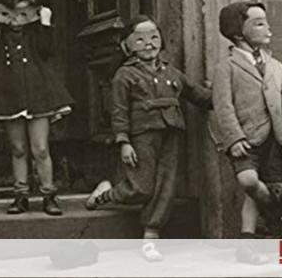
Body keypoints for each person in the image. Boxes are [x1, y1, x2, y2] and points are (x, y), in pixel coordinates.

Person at [85, 15, 212, 261]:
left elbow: (198, 95)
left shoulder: (172, 73)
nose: (149, 43)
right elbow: (119, 111)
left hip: (171, 132)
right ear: (128, 45)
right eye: (140, 39)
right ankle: (106, 193)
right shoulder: (125, 75)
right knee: (142, 186)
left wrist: (227, 96)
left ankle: (151, 235)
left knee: (166, 186)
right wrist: (124, 141)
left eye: (154, 37)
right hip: (142, 135)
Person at [209, 1, 282, 262]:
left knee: (268, 188)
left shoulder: (273, 64)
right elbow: (223, 106)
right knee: (249, 182)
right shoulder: (226, 66)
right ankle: (274, 214)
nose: (267, 27)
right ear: (239, 33)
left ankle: (248, 244)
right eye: (258, 23)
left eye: (265, 21)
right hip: (244, 140)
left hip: (272, 139)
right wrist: (234, 138)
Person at [0, 0, 74, 216]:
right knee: (18, 147)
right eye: (14, 11)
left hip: (38, 94)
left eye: (24, 11)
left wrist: (45, 22)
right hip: (9, 94)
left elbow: (46, 50)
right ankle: (21, 196)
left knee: (40, 148)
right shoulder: (0, 33)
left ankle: (48, 194)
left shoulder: (36, 31)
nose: (18, 18)